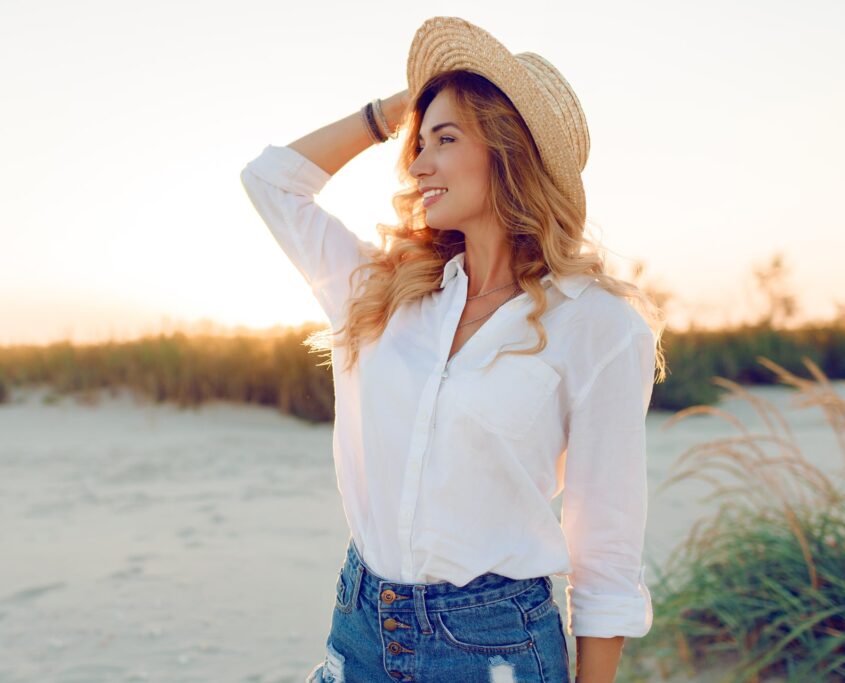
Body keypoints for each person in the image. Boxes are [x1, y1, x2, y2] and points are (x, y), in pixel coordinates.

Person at [240, 16, 668, 683]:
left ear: (508, 152)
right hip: (360, 625)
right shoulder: (385, 293)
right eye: (419, 140)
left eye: (444, 139)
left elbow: (605, 549)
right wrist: (393, 110)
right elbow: (271, 181)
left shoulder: (599, 324)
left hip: (495, 646)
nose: (417, 163)